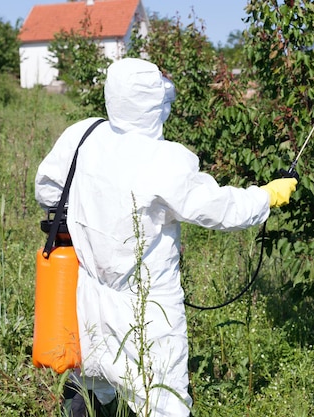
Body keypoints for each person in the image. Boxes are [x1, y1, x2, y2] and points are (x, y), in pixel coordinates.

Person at [34, 57, 297, 417]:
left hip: (89, 291)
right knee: (163, 400)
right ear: (153, 103)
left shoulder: (85, 134)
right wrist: (267, 195)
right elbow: (220, 208)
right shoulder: (165, 160)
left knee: (93, 378)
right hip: (148, 309)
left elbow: (48, 190)